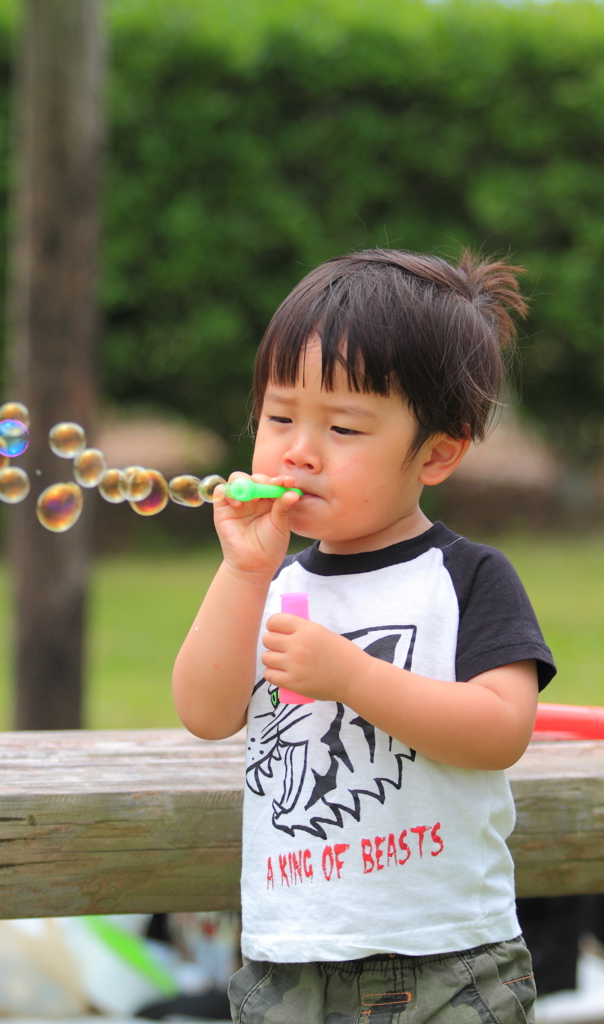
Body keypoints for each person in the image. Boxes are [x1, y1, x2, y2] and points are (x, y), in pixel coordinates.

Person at [173, 249, 556, 1024]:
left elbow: (500, 730)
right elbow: (206, 712)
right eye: (279, 417)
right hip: (288, 958)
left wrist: (352, 676)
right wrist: (244, 576)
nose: (299, 449)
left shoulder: (468, 579)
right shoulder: (271, 583)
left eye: (343, 426)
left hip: (444, 958)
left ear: (438, 452)